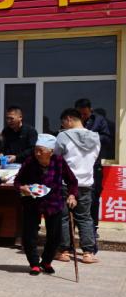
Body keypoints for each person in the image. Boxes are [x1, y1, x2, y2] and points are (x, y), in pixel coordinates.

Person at [15, 134, 77, 275]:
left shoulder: (59, 161)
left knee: (55, 236)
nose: (37, 153)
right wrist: (22, 188)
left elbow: (72, 181)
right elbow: (18, 181)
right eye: (35, 150)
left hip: (53, 202)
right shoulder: (30, 161)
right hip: (32, 201)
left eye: (40, 150)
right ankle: (34, 264)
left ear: (51, 151)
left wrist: (72, 195)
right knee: (29, 235)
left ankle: (46, 261)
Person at [55, 109, 100, 264]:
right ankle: (88, 253)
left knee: (64, 217)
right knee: (85, 217)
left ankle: (64, 251)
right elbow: (94, 158)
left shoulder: (63, 136)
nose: (62, 126)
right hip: (86, 183)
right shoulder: (95, 137)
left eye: (63, 123)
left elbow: (56, 157)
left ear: (69, 119)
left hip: (65, 183)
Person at [76, 98, 113, 245]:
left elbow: (107, 139)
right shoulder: (73, 119)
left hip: (93, 164)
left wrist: (90, 136)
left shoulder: (99, 120)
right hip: (76, 165)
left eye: (84, 114)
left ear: (90, 110)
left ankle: (93, 227)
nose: (82, 117)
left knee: (93, 196)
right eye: (80, 114)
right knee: (74, 195)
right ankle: (75, 227)